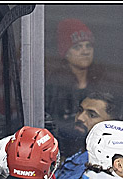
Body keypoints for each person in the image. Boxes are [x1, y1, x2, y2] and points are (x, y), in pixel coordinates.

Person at [45, 18, 101, 159]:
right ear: (66, 52)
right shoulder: (54, 86)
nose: (85, 51)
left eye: (88, 46)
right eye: (77, 47)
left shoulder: (102, 83)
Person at [55, 90, 118, 179]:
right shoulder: (70, 151)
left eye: (92, 115)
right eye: (80, 110)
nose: (80, 118)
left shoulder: (104, 167)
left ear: (110, 124)